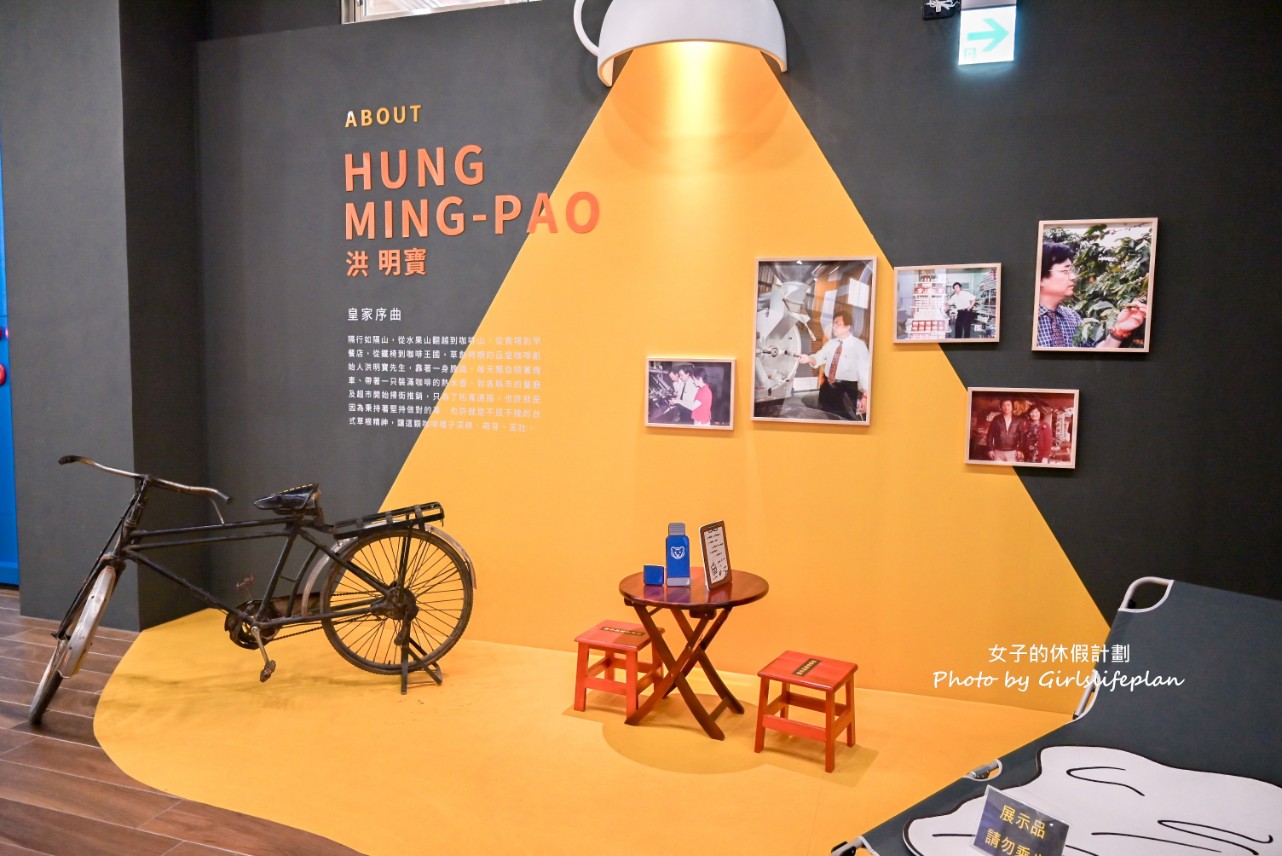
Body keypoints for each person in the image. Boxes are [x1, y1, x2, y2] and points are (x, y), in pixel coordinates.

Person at [1037, 242, 1147, 349]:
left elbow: (1091, 355)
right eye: (1065, 271)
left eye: (1071, 270)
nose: (1073, 277)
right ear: (1039, 277)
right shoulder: (1029, 321)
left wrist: (1119, 330)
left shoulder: (1072, 317)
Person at [796, 310, 870, 420]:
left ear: (848, 326)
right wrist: (807, 359)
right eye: (833, 324)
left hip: (847, 390)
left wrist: (865, 397)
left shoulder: (859, 345)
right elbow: (818, 358)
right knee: (824, 418)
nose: (834, 327)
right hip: (827, 388)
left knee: (844, 421)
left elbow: (865, 372)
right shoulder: (831, 344)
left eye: (838, 324)